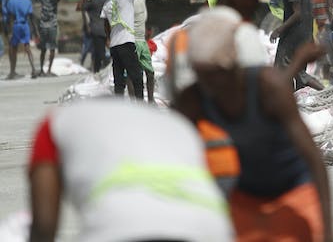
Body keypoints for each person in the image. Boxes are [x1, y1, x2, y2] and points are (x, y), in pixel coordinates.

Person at [170, 0, 333, 238]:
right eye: (200, 75)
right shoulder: (196, 97)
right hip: (245, 197)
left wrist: (329, 232)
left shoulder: (268, 87)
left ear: (233, 67)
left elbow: (314, 161)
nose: (207, 85)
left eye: (214, 76)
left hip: (294, 192)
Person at [28, 97, 234, 242]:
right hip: (209, 226)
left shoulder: (55, 122)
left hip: (122, 225)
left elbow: (44, 225)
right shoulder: (174, 124)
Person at [271, 0, 321, 91]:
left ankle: (325, 91)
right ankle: (299, 101)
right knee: (297, 73)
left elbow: (297, 14)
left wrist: (278, 30)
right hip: (305, 36)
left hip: (293, 38)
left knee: (288, 70)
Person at [101, 0, 146, 99]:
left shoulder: (108, 2)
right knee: (137, 77)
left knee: (119, 80)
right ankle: (140, 105)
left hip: (114, 45)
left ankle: (119, 106)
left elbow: (106, 24)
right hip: (127, 42)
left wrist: (108, 38)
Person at [133, 0, 156, 103]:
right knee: (134, 74)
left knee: (150, 72)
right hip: (132, 40)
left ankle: (151, 100)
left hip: (142, 40)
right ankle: (136, 101)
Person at [6, 0, 37, 80]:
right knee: (27, 48)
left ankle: (12, 72)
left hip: (16, 25)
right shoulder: (27, 1)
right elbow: (31, 16)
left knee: (13, 48)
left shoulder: (11, 1)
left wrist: (9, 31)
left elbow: (10, 17)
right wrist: (35, 30)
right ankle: (33, 70)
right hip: (25, 25)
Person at [31, 0, 63, 77]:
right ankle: (41, 70)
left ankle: (49, 70)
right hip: (43, 26)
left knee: (52, 48)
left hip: (52, 25)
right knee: (43, 49)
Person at [81, 0, 108, 73]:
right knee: (101, 51)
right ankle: (99, 69)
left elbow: (81, 7)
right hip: (107, 29)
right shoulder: (105, 0)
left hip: (96, 30)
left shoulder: (92, 2)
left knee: (99, 53)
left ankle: (101, 69)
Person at [75, 0, 96, 69]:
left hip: (95, 25)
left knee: (94, 47)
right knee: (86, 47)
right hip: (88, 25)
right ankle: (81, 63)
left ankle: (93, 65)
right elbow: (80, 8)